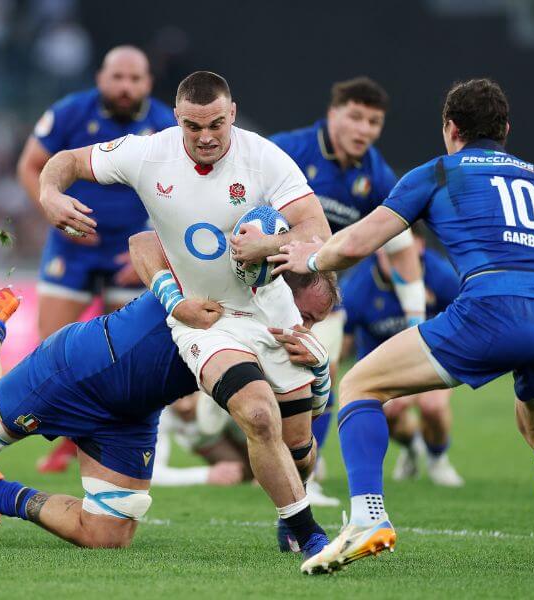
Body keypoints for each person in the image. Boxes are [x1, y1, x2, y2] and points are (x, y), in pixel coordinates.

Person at [273, 78, 534, 579]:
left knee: (358, 385)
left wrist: (310, 254)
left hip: (491, 312)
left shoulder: (437, 171)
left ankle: (367, 518)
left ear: (450, 129)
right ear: (505, 129)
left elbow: (358, 244)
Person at [37, 70, 336, 562]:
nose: (205, 136)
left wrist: (269, 243)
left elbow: (317, 230)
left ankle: (291, 510)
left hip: (273, 314)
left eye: (216, 124)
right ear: (177, 119)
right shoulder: (148, 153)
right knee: (258, 415)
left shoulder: (263, 157)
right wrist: (50, 194)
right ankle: (310, 534)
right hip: (205, 319)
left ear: (232, 113)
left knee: (299, 444)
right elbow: (65, 161)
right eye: (193, 126)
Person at [0, 269, 337, 549]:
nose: (304, 328)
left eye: (314, 323)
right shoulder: (215, 278)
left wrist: (318, 373)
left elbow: (298, 437)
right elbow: (145, 239)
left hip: (131, 416)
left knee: (106, 536)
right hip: (80, 371)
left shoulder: (279, 344)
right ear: (278, 290)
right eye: (304, 316)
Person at [17, 46, 176, 473]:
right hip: (71, 247)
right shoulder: (70, 112)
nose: (125, 87)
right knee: (50, 347)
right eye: (117, 77)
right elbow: (30, 166)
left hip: (133, 250)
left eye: (135, 79)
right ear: (100, 77)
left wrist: (154, 247)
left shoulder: (165, 123)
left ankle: (101, 441)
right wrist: (53, 212)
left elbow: (183, 195)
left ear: (148, 83)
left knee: (123, 357)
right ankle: (66, 435)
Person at [270, 77, 425, 513]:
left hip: (322, 299)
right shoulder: (288, 152)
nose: (363, 129)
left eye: (373, 121)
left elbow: (401, 250)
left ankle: (306, 475)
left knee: (319, 377)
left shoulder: (377, 175)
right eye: (355, 117)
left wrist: (416, 320)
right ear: (333, 114)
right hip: (259, 289)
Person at [341, 232, 463, 487]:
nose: (394, 258)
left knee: (433, 407)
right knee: (390, 411)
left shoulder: (440, 275)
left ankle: (438, 459)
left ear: (418, 245)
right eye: (388, 249)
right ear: (377, 249)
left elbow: (465, 320)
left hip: (433, 358)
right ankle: (413, 447)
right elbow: (344, 341)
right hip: (383, 367)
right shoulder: (358, 286)